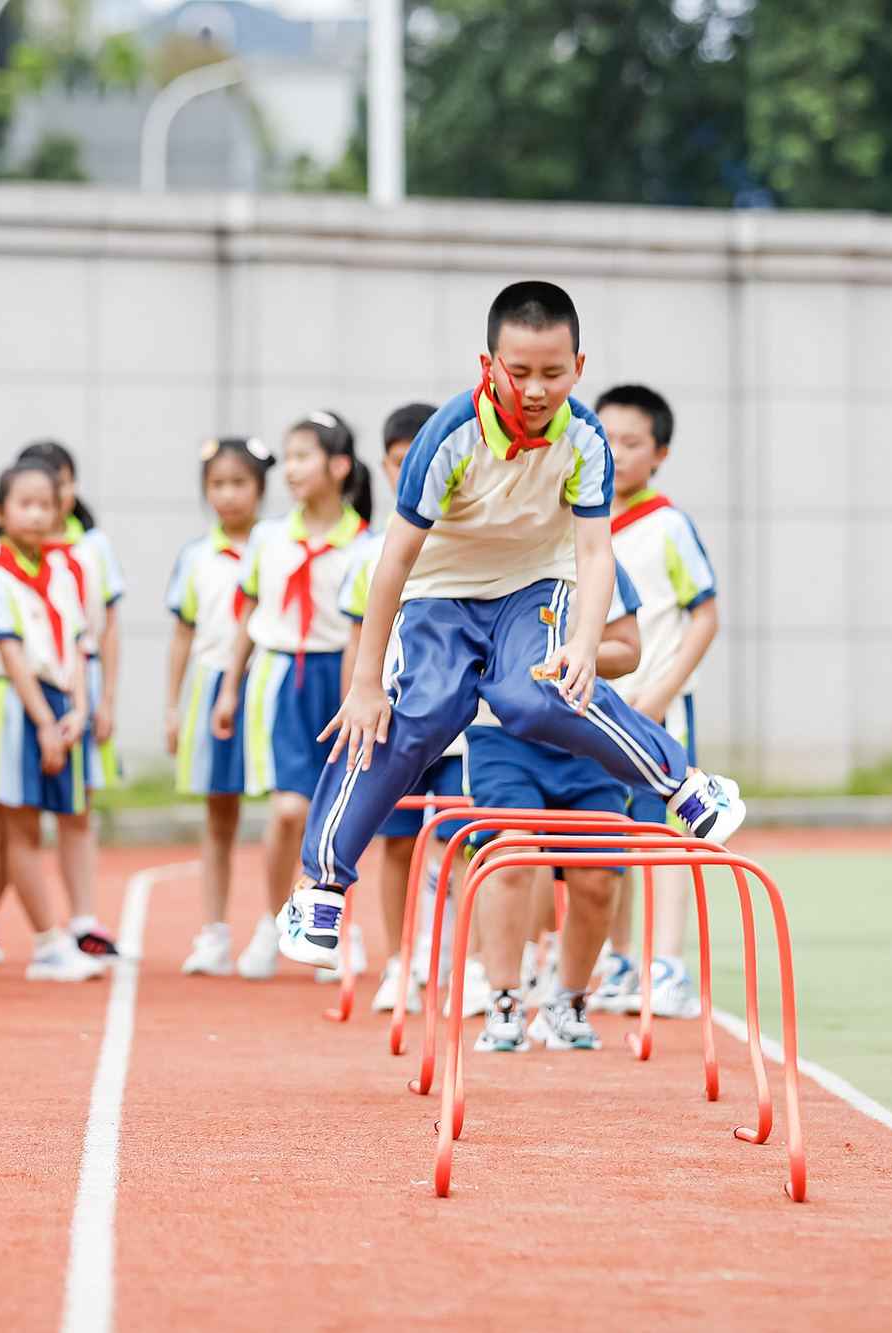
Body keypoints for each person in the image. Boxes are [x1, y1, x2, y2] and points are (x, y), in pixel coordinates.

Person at [279, 281, 746, 975]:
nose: (534, 388)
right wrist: (366, 679)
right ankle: (320, 886)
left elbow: (594, 550)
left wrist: (585, 642)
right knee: (415, 715)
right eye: (518, 371)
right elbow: (396, 559)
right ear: (488, 364)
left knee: (538, 695)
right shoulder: (448, 436)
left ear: (578, 368)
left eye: (553, 373)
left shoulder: (585, 438)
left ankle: (683, 783)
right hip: (441, 592)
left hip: (535, 584)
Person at [209, 411, 371, 980]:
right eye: (289, 456)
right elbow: (246, 616)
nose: (292, 469)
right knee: (289, 810)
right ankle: (274, 918)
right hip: (281, 680)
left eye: (303, 455)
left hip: (346, 679)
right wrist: (230, 689)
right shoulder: (267, 538)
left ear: (339, 465)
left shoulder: (368, 544)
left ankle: (328, 923)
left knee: (341, 811)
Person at [467, 564, 645, 1053]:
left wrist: (576, 656)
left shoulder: (595, 561)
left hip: (588, 733)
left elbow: (628, 649)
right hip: (504, 735)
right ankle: (503, 1000)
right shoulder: (486, 552)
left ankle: (567, 1000)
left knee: (598, 870)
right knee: (512, 852)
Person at [340, 403, 479, 1012]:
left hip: (460, 726)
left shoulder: (479, 541)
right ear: (387, 465)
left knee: (464, 840)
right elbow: (357, 638)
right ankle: (401, 960)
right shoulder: (372, 551)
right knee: (397, 841)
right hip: (392, 718)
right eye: (400, 464)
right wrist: (358, 695)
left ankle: (465, 962)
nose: (413, 474)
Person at [588, 383, 720, 1020]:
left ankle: (668, 965)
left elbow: (705, 615)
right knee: (608, 830)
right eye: (605, 438)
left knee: (660, 831)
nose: (616, 451)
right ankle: (618, 958)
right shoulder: (580, 524)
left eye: (631, 441)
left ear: (659, 452)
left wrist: (662, 690)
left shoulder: (669, 525)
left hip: (658, 710)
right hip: (597, 712)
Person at [0, 462, 108, 983]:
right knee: (19, 825)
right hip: (14, 705)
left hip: (58, 703)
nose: (36, 514)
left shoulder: (64, 569)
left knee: (17, 831)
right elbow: (9, 653)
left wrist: (77, 709)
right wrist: (43, 722)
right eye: (23, 504)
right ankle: (48, 943)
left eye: (45, 504)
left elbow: (78, 645)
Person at [0, 440, 126, 962]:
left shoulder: (89, 550)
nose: (42, 505)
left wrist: (102, 699)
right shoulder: (1, 563)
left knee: (77, 806)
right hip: (26, 691)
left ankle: (81, 920)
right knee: (13, 814)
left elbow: (102, 629)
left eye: (57, 486)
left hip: (77, 683)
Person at [165, 438, 271, 976]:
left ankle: (286, 923)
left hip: (271, 681)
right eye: (217, 484)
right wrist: (171, 706)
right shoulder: (195, 557)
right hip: (211, 689)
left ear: (261, 488)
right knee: (219, 812)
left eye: (239, 483)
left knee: (287, 806)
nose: (227, 495)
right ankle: (215, 931)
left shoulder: (275, 546)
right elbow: (182, 636)